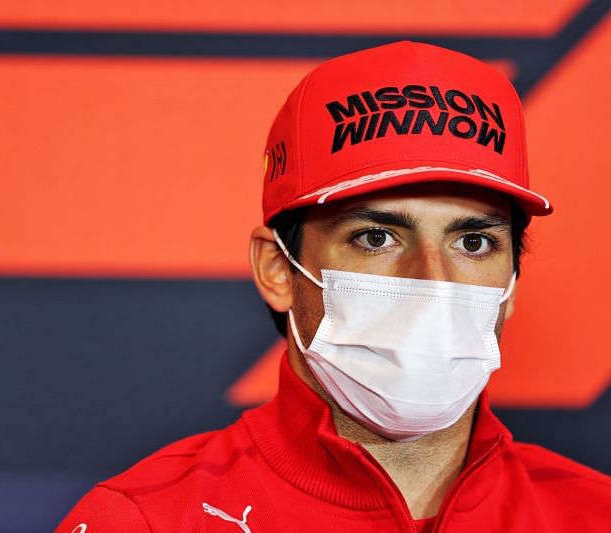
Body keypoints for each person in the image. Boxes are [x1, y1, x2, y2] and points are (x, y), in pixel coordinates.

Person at [55, 41, 611, 532]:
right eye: (376, 237)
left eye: (472, 244)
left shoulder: (594, 514)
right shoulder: (147, 522)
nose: (432, 281)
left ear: (510, 285)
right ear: (278, 267)